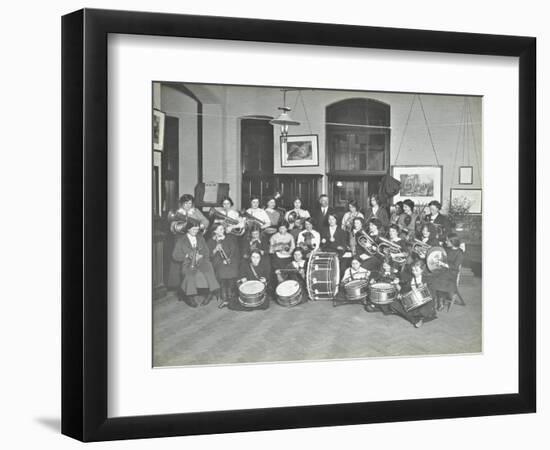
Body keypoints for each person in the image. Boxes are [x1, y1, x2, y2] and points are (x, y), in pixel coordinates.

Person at [172, 218, 219, 307]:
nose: (196, 231)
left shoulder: (200, 238)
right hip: (188, 263)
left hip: (201, 261)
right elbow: (175, 256)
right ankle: (190, 297)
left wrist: (201, 255)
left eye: (197, 229)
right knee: (190, 274)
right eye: (194, 229)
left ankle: (210, 294)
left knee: (209, 271)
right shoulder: (181, 240)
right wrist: (186, 256)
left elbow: (206, 252)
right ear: (188, 229)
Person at [392, 260, 438, 328]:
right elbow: (405, 289)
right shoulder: (411, 278)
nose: (414, 272)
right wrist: (400, 294)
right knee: (394, 303)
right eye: (413, 270)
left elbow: (433, 295)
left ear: (422, 270)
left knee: (418, 311)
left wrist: (424, 289)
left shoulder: (428, 279)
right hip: (412, 302)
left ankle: (414, 317)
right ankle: (415, 320)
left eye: (416, 270)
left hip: (425, 303)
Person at [426, 232, 464, 311]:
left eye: (447, 241)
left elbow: (455, 266)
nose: (445, 242)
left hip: (451, 273)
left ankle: (440, 301)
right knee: (430, 275)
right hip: (443, 270)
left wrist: (443, 264)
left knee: (439, 278)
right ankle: (432, 301)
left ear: (452, 242)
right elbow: (441, 257)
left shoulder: (460, 253)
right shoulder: (447, 249)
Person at [208, 224, 241, 309]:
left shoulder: (229, 238)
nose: (222, 230)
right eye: (220, 229)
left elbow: (233, 250)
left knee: (231, 273)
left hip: (230, 260)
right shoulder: (211, 241)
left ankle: (230, 297)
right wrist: (215, 249)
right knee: (222, 274)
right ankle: (225, 298)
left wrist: (228, 259)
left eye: (223, 229)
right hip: (218, 262)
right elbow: (209, 255)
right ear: (215, 231)